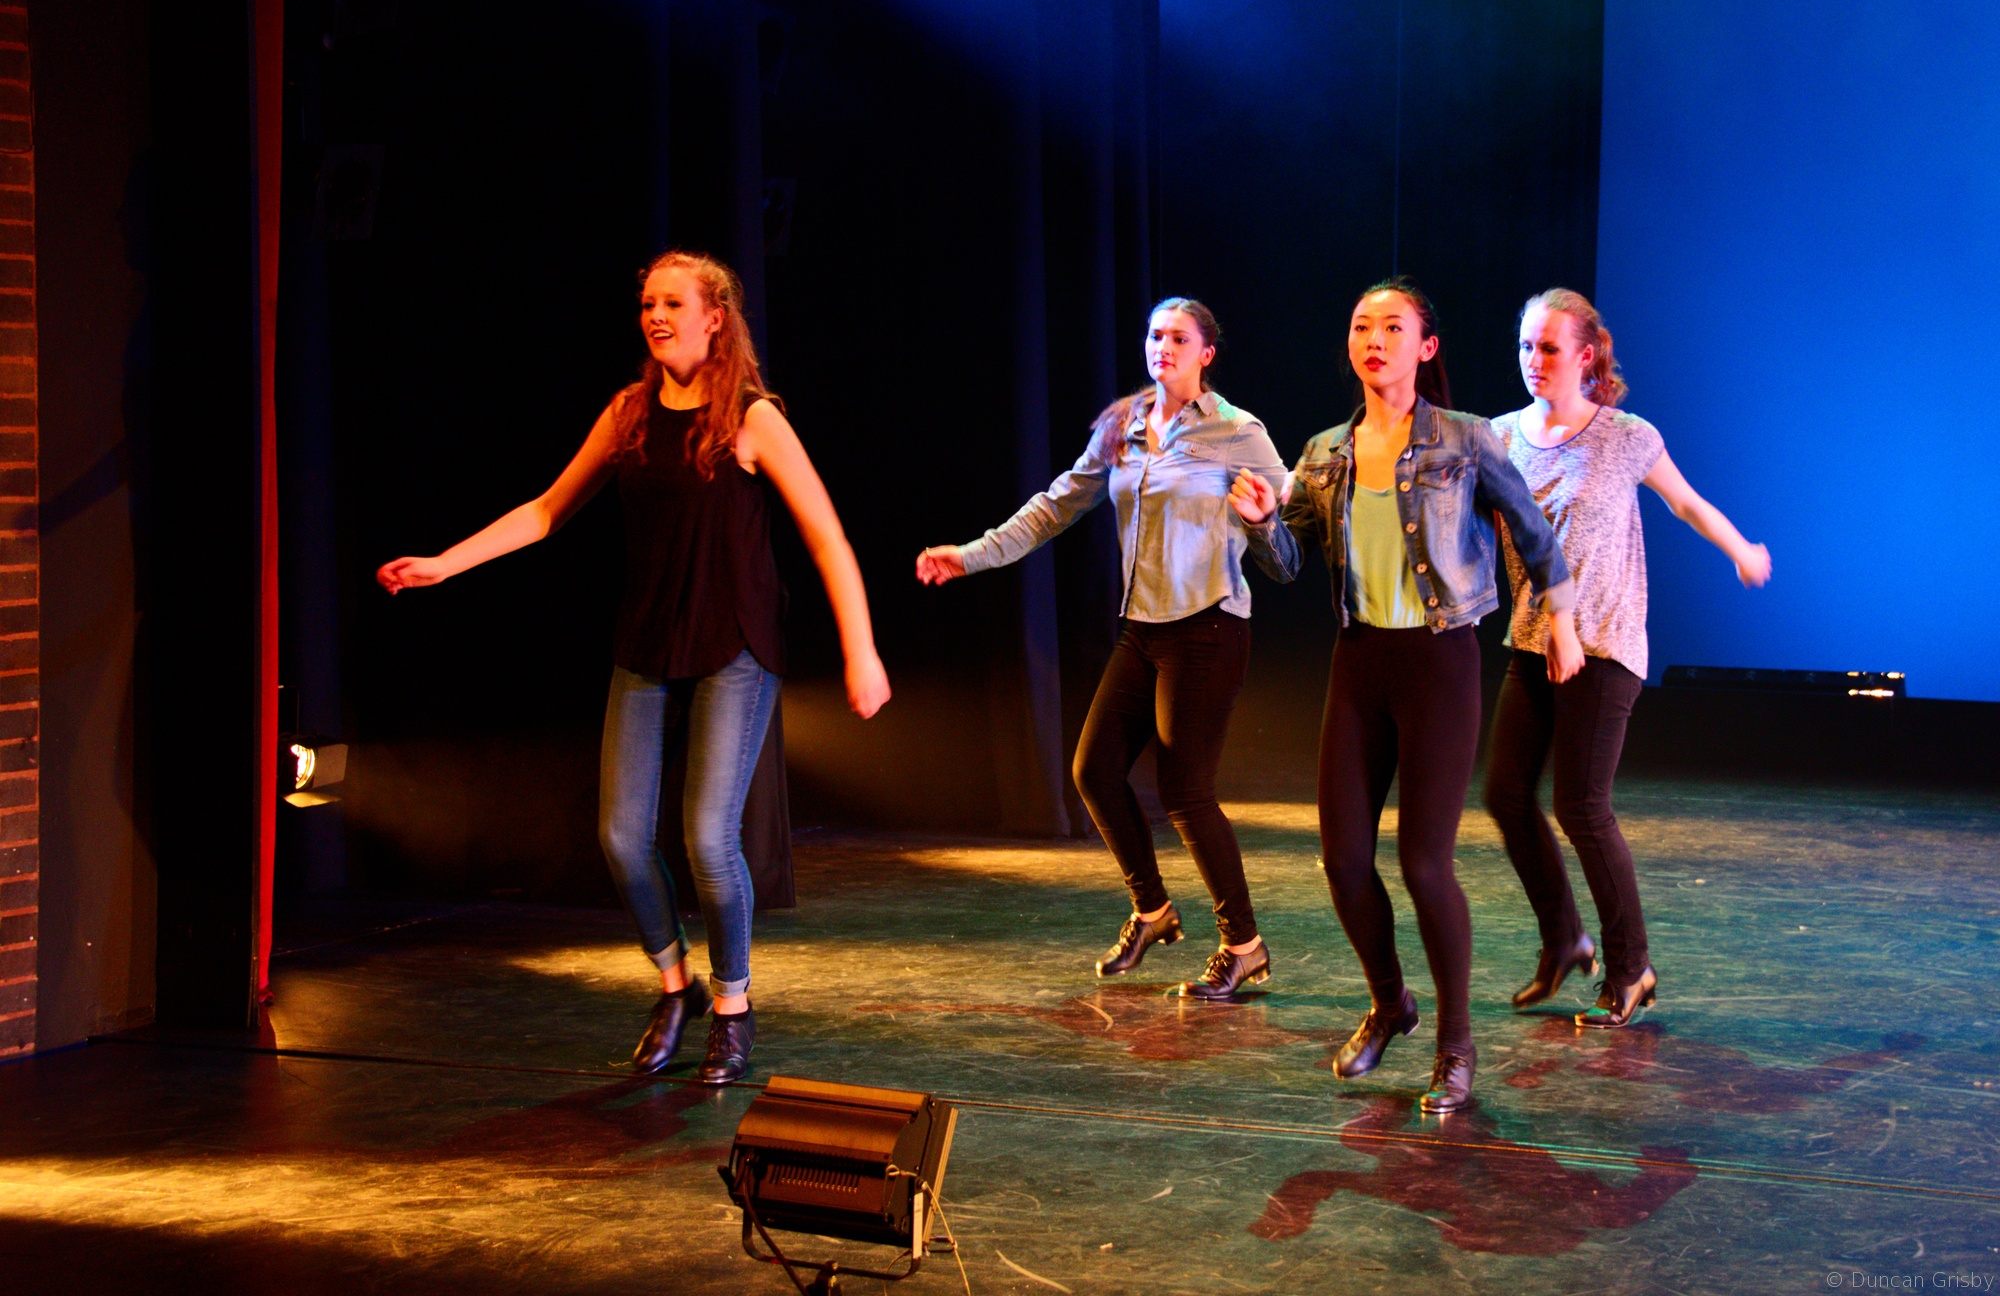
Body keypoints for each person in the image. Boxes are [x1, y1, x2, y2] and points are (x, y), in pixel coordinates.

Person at [377, 250, 890, 1085]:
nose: (656, 316)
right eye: (648, 303)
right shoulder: (628, 414)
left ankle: (733, 1005)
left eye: (673, 303)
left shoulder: (753, 419)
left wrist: (860, 650)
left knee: (708, 838)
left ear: (714, 317)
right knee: (620, 837)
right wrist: (445, 564)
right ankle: (674, 986)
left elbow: (827, 537)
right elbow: (546, 511)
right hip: (649, 640)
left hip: (734, 642)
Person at [1234, 278, 1581, 1114]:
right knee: (1343, 862)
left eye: (1393, 327)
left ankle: (1457, 1045)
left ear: (1425, 348)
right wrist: (1261, 521)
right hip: (1359, 664)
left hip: (1440, 663)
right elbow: (1287, 565)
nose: (1374, 340)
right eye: (1362, 326)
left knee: (1425, 864)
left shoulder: (1466, 437)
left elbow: (1536, 538)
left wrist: (1563, 625)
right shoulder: (1325, 452)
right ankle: (1391, 1004)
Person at [916, 298, 1289, 1000]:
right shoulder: (1124, 428)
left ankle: (1244, 945)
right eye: (1154, 335)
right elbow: (1055, 505)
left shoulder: (1238, 432)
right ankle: (1153, 911)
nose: (1162, 347)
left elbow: (1287, 529)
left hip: (1209, 626)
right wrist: (970, 556)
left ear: (1207, 353)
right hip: (1143, 628)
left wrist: (1266, 519)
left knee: (1186, 791)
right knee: (1093, 771)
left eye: (1178, 338)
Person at [1484, 288, 1770, 1029]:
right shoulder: (1499, 437)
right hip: (1534, 637)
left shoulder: (1625, 436)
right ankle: (1563, 939)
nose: (1534, 360)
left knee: (1581, 807)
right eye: (1525, 346)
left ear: (1586, 356)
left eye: (1549, 347)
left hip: (1606, 642)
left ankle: (1631, 967)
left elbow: (1685, 502)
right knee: (1506, 796)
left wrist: (1740, 549)